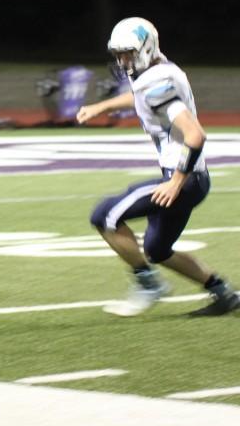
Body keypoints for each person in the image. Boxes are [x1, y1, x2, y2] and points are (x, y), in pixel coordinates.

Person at [76, 17, 239, 317]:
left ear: (146, 48)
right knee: (157, 250)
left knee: (104, 216)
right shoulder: (160, 71)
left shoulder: (157, 83)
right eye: (118, 54)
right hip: (193, 179)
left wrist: (176, 181)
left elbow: (195, 134)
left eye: (128, 53)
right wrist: (102, 107)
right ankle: (224, 293)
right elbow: (140, 96)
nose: (123, 60)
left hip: (184, 180)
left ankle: (147, 283)